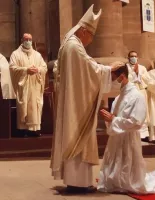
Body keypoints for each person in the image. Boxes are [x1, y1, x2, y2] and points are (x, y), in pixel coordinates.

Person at [50, 4, 123, 193]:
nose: (90, 40)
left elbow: (87, 65)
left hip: (75, 101)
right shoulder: (74, 46)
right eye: (91, 36)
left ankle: (78, 181)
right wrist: (109, 70)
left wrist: (103, 69)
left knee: (77, 139)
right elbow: (90, 69)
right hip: (78, 106)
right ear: (84, 31)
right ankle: (79, 183)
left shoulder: (70, 43)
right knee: (79, 139)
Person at [97, 64, 155, 194]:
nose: (111, 82)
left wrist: (113, 119)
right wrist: (110, 120)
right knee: (113, 182)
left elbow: (136, 123)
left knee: (134, 184)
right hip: (116, 140)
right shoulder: (119, 98)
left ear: (122, 77)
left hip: (129, 140)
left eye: (113, 78)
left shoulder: (137, 96)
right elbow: (114, 120)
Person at [9, 33, 47, 137]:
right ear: (22, 40)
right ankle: (23, 130)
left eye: (30, 39)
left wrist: (38, 69)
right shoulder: (15, 54)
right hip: (24, 86)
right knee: (23, 106)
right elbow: (12, 68)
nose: (28, 41)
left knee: (35, 107)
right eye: (26, 39)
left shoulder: (37, 55)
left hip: (35, 86)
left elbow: (44, 67)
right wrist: (26, 70)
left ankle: (34, 130)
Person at [127, 50, 150, 141]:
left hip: (141, 91)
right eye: (132, 56)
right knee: (132, 112)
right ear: (128, 58)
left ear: (137, 58)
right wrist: (133, 75)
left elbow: (147, 79)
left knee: (141, 111)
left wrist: (138, 74)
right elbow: (124, 78)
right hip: (131, 92)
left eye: (135, 56)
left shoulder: (142, 68)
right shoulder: (126, 67)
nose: (134, 58)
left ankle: (142, 135)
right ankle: (132, 133)